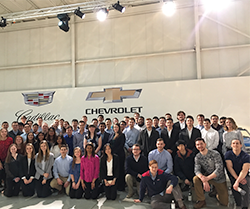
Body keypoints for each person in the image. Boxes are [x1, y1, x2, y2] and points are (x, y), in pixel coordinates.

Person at [193, 138, 228, 209]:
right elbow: (197, 170)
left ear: (205, 144)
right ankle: (201, 200)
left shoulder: (215, 153)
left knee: (224, 202)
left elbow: (219, 169)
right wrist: (203, 179)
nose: (200, 146)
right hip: (207, 177)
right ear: (196, 146)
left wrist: (206, 179)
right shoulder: (198, 156)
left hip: (219, 178)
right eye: (197, 145)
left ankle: (217, 193)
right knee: (196, 179)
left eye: (201, 144)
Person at [225, 139, 250, 209]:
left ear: (241, 145)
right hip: (233, 175)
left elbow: (244, 170)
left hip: (244, 176)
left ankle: (245, 206)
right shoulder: (228, 154)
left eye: (237, 143)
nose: (235, 145)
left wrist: (238, 181)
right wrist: (236, 180)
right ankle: (238, 203)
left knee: (245, 185)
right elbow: (230, 168)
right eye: (233, 143)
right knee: (237, 197)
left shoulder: (246, 156)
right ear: (231, 145)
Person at [110, 123, 126, 191]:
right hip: (112, 155)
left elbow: (121, 145)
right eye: (114, 127)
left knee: (120, 170)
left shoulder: (122, 135)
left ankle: (121, 186)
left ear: (119, 128)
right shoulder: (112, 135)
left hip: (120, 155)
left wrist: (114, 151)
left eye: (116, 127)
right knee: (114, 170)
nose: (115, 129)